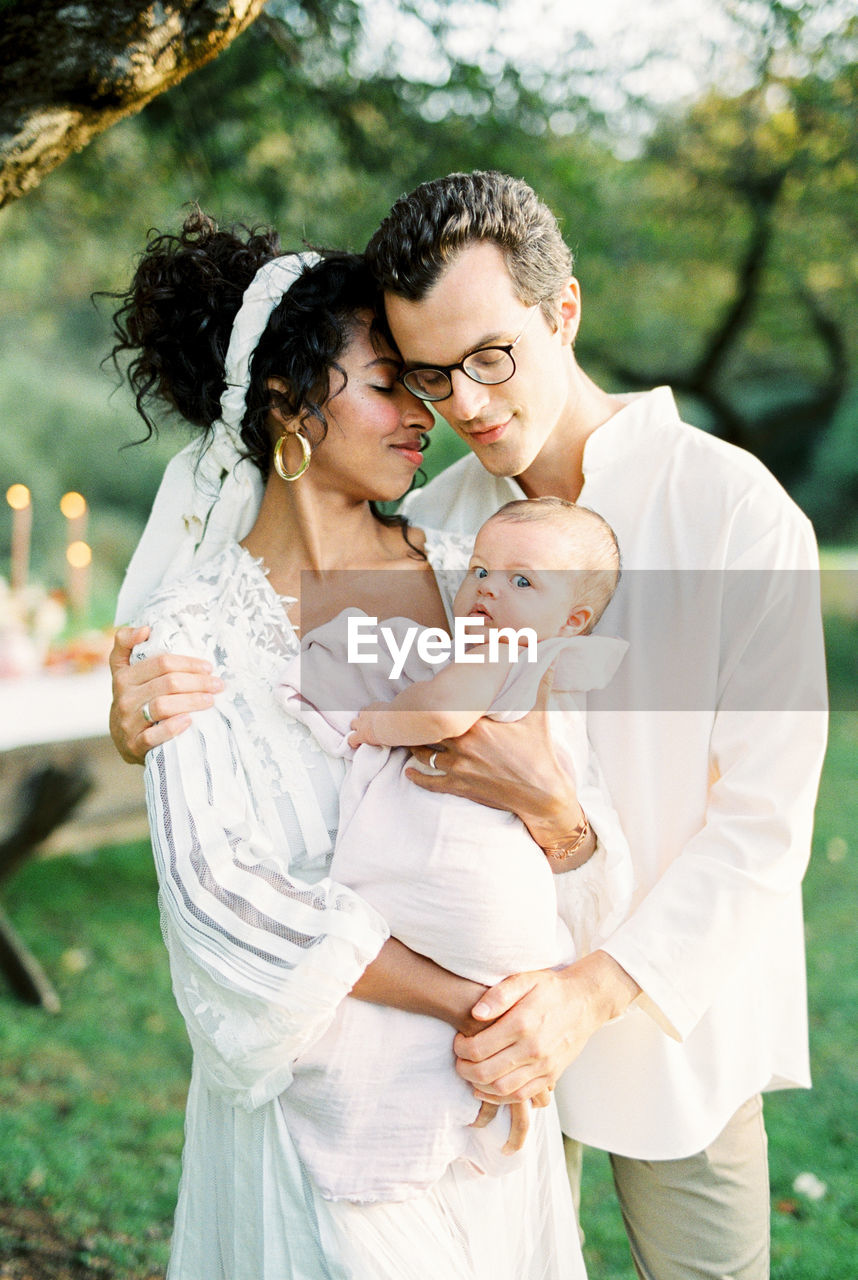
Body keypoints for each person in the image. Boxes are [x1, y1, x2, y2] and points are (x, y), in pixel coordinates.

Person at [110, 172, 828, 1279]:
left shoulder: (733, 511)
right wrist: (144, 713)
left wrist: (584, 989)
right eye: (432, 375)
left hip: (661, 1018)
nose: (466, 404)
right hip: (457, 1049)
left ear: (564, 312)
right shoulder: (435, 530)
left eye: (490, 356)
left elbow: (765, 830)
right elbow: (295, 730)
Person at [107, 208, 597, 1280]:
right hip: (316, 1109)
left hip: (488, 1089)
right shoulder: (194, 635)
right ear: (288, 405)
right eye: (389, 383)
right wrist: (459, 996)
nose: (425, 413)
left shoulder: (480, 566)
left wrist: (556, 827)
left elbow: (571, 808)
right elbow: (217, 898)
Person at [275, 498, 632, 1203]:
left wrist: (379, 720)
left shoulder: (501, 657)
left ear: (573, 622)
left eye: (523, 582)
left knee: (398, 1033)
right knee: (460, 1053)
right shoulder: (557, 676)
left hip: (473, 896)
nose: (489, 589)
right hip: (519, 925)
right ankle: (475, 1119)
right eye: (479, 570)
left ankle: (398, 1146)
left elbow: (440, 713)